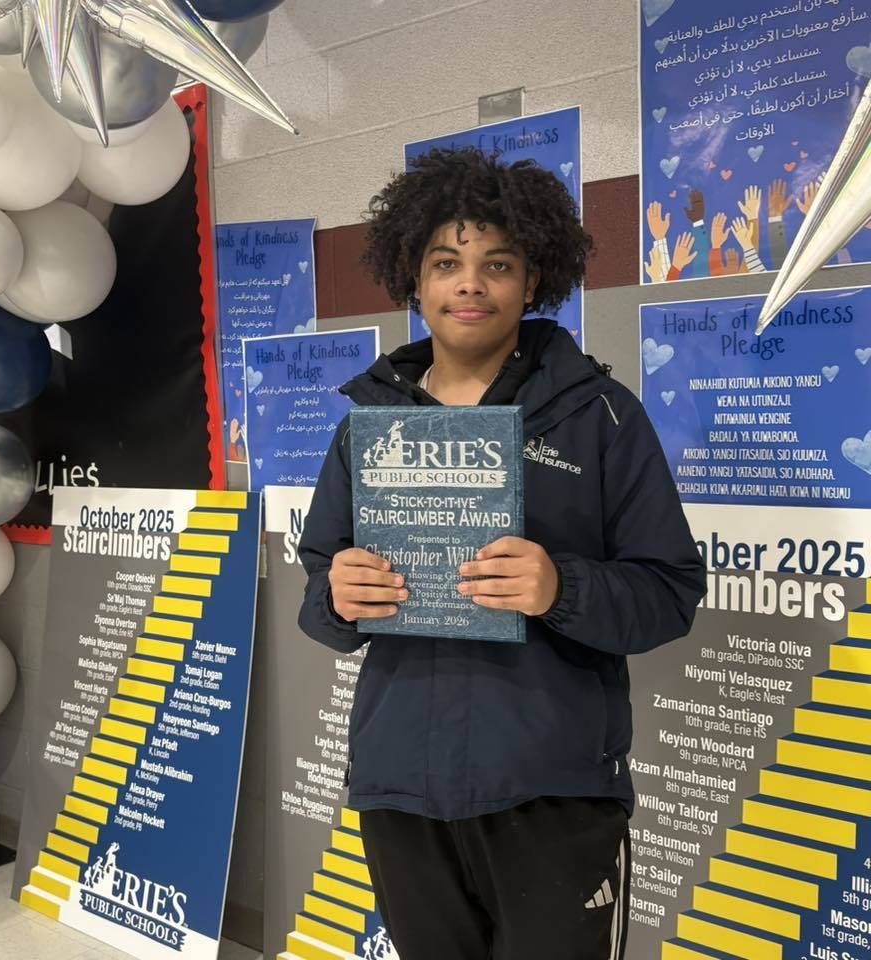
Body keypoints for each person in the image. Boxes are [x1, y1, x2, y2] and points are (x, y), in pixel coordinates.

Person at [297, 147, 706, 960]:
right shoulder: (368, 427)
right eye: (446, 263)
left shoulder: (601, 417)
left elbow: (670, 592)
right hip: (401, 786)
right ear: (414, 279)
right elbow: (320, 591)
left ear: (533, 280)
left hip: (552, 789)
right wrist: (338, 597)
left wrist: (563, 587)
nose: (470, 284)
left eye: (498, 264)